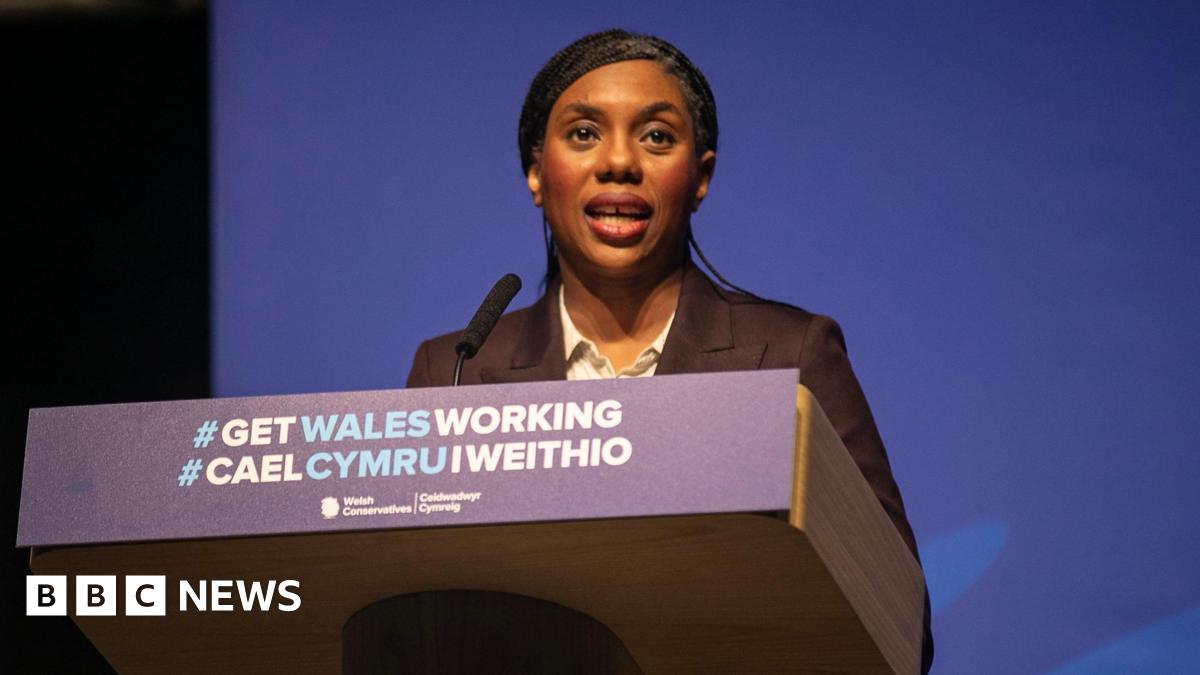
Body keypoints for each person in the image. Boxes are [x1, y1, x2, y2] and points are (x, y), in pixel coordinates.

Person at [406, 29, 932, 671]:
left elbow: (902, 620)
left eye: (656, 136)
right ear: (537, 174)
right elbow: (414, 611)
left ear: (701, 176)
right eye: (582, 134)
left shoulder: (791, 356)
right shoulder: (456, 371)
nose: (619, 161)